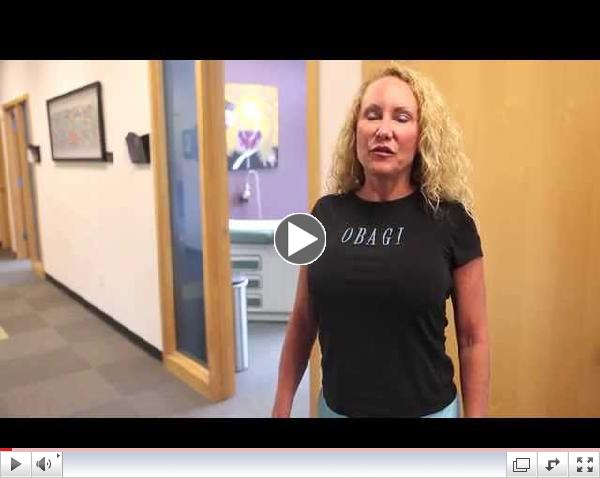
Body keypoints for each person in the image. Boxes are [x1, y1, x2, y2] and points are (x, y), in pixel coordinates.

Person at [272, 63, 489, 418]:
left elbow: (472, 338)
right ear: (355, 131)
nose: (383, 130)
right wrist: (281, 405)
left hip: (428, 412)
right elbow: (302, 322)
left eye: (401, 117)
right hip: (337, 411)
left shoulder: (452, 221)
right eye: (372, 115)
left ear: (422, 134)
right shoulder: (324, 214)